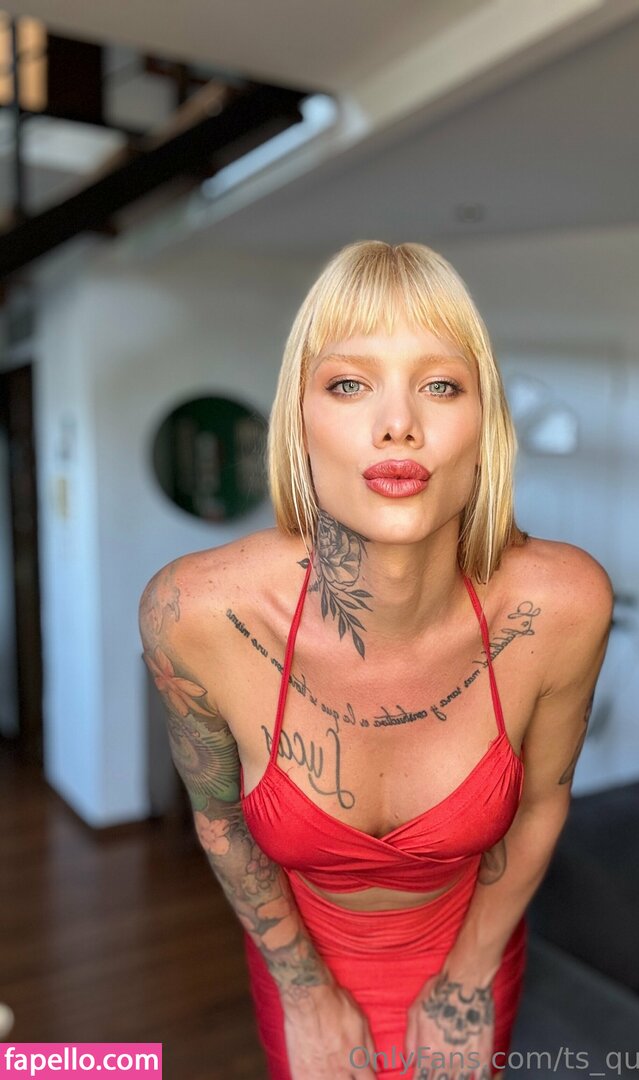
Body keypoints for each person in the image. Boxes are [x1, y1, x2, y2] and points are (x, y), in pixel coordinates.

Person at [139, 240, 614, 1080]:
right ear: (299, 421)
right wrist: (305, 992)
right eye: (350, 384)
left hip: (475, 953)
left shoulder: (563, 604)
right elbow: (221, 823)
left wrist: (466, 981)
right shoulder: (195, 612)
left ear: (485, 427)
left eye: (441, 385)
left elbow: (542, 804)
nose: (399, 423)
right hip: (298, 965)